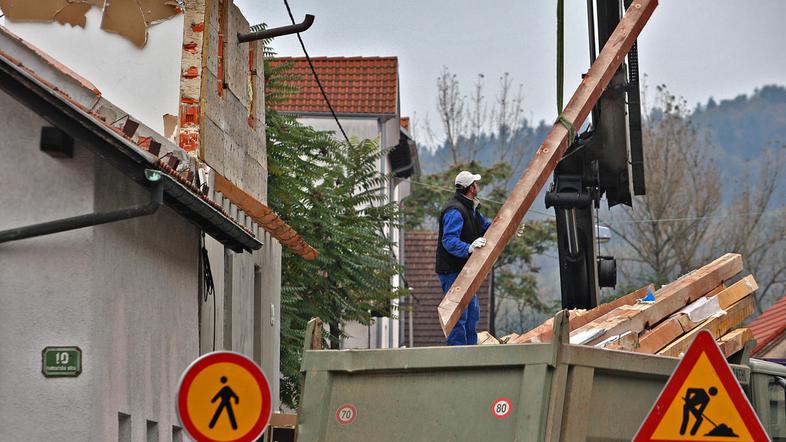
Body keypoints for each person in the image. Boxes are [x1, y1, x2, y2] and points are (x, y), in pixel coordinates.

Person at [435, 171, 492, 346]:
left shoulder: (470, 208)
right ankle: (458, 354)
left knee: (472, 313)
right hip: (452, 271)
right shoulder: (455, 210)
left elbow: (487, 227)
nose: (477, 185)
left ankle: (470, 352)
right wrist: (468, 248)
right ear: (471, 188)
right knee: (458, 315)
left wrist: (510, 227)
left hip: (464, 270)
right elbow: (449, 241)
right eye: (475, 183)